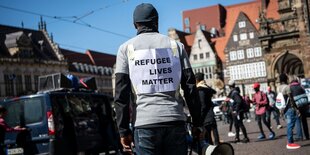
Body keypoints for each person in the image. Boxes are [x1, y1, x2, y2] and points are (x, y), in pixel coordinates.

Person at [114, 3, 202, 155]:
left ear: (135, 24)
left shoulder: (125, 49)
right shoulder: (176, 46)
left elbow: (121, 95)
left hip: (144, 123)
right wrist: (198, 123)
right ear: (157, 22)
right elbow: (190, 88)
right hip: (174, 119)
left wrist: (123, 131)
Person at [195, 72, 219, 145]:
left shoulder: (200, 90)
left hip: (206, 117)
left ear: (197, 80)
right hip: (211, 115)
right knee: (215, 134)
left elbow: (203, 105)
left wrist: (200, 116)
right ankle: (218, 149)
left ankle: (213, 151)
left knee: (208, 138)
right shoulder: (206, 88)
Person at [278, 73, 301, 149]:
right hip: (289, 108)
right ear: (286, 79)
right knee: (290, 125)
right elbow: (291, 99)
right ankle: (290, 142)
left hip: (284, 109)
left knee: (289, 125)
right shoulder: (287, 87)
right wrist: (296, 108)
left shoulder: (279, 88)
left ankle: (290, 141)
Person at [289, 75, 309, 141]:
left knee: (298, 120)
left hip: (297, 105)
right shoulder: (300, 85)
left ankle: (300, 136)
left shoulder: (290, 87)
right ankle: (307, 135)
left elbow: (291, 97)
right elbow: (305, 93)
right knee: (304, 120)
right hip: (304, 103)